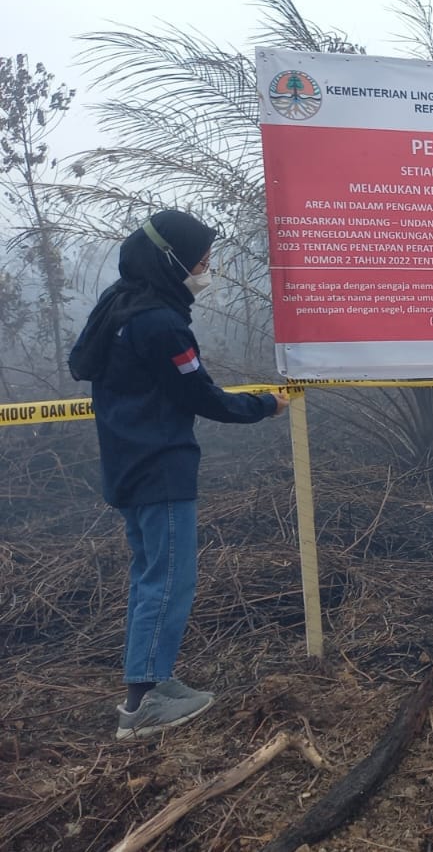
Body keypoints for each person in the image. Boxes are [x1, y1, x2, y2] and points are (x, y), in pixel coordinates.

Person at [69, 210, 288, 740]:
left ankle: (149, 682)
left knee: (151, 577)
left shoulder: (119, 304)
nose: (204, 270)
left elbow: (84, 362)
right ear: (170, 260)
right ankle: (143, 703)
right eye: (201, 261)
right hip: (159, 467)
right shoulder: (159, 322)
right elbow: (200, 395)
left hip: (126, 463)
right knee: (169, 581)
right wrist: (263, 405)